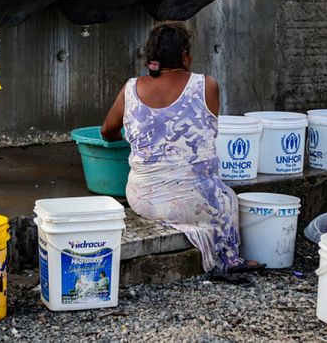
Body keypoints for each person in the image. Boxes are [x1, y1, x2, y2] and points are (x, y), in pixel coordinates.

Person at [101, 22, 264, 277]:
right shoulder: (206, 85)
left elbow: (106, 131)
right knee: (227, 197)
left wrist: (128, 139)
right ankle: (227, 259)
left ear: (150, 58)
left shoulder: (130, 89)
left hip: (142, 200)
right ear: (185, 56)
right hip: (196, 204)